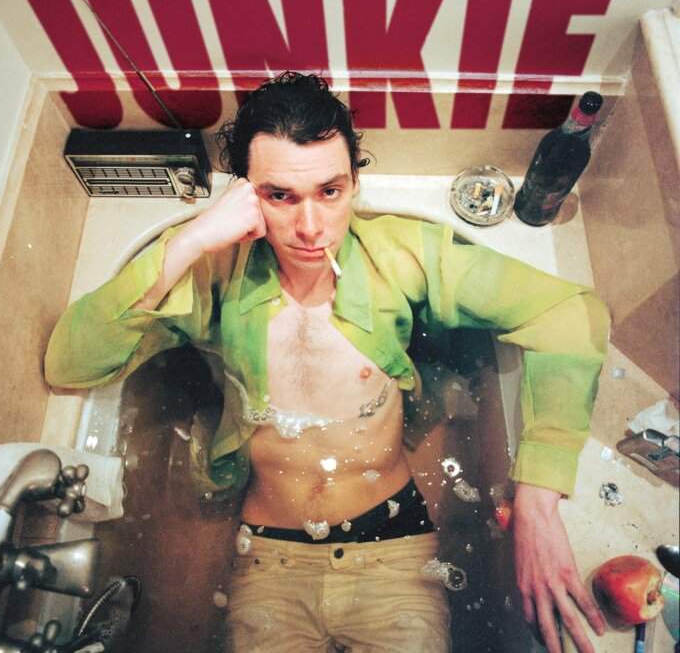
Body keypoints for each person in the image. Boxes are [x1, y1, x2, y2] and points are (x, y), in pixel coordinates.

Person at [45, 71, 610, 653]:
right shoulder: (216, 276)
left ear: (354, 183)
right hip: (269, 557)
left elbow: (571, 314)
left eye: (330, 191)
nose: (311, 228)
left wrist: (538, 501)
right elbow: (71, 366)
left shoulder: (400, 256)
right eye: (280, 196)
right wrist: (191, 239)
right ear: (246, 194)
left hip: (396, 546)